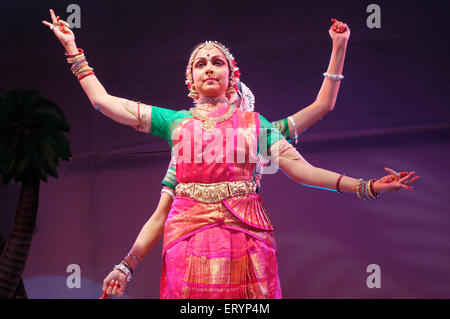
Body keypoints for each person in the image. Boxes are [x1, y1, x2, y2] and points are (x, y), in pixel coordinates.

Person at [43, 10, 419, 299]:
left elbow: (306, 166)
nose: (209, 67)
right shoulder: (175, 123)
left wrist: (367, 186)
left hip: (247, 237)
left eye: (217, 61)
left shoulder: (256, 125)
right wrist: (72, 49)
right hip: (187, 239)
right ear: (189, 80)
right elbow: (103, 102)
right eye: (200, 63)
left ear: (231, 75)